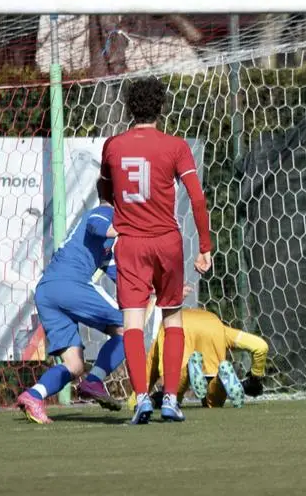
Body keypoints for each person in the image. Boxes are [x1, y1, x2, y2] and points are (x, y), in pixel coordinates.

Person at [99, 77, 213, 424]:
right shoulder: (175, 146)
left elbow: (103, 191)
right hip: (166, 242)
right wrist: (205, 247)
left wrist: (116, 212)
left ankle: (142, 399)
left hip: (130, 243)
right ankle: (171, 400)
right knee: (172, 317)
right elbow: (197, 198)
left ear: (129, 108)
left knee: (133, 321)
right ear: (161, 107)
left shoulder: (113, 146)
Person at [16, 202, 126, 424]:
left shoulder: (105, 245)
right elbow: (96, 225)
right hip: (69, 285)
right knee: (129, 327)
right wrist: (127, 228)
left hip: (47, 292)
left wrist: (161, 290)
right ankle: (94, 380)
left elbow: (121, 277)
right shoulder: (105, 212)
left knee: (74, 364)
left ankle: (34, 395)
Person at [132, 305, 269, 410]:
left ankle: (187, 369)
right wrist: (255, 377)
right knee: (212, 404)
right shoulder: (220, 328)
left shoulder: (155, 347)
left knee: (172, 396)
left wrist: (133, 402)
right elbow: (260, 346)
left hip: (176, 325)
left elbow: (138, 392)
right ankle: (221, 379)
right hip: (212, 324)